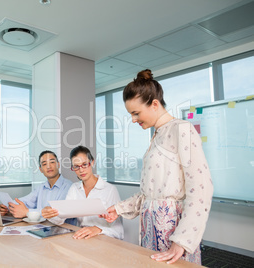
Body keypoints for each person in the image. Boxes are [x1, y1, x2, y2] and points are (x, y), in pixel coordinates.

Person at [101, 69, 213, 264]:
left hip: (172, 231)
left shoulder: (181, 130)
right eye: (131, 114)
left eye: (136, 113)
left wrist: (182, 241)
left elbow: (201, 190)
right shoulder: (157, 136)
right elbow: (149, 195)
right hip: (150, 228)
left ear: (154, 104)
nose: (133, 119)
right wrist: (118, 209)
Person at [42, 146, 124, 240]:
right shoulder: (74, 188)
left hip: (103, 240)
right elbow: (61, 218)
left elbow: (119, 232)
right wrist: (50, 213)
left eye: (84, 164)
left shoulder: (109, 190)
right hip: (81, 238)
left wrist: (98, 229)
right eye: (76, 166)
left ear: (92, 162)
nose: (81, 170)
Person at [0, 150, 73, 218]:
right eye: (44, 164)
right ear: (40, 169)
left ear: (58, 164)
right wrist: (7, 207)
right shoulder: (41, 187)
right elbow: (26, 201)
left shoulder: (69, 187)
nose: (48, 166)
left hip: (63, 229)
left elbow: (56, 213)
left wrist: (27, 212)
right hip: (43, 227)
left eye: (52, 162)